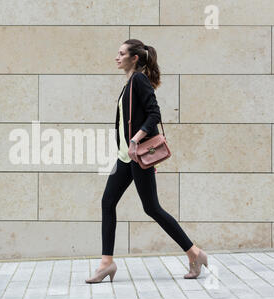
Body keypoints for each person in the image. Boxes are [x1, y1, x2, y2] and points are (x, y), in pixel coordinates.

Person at [85, 39, 208, 284]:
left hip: (138, 154)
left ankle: (194, 252)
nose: (116, 57)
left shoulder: (139, 80)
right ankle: (106, 263)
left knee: (151, 207)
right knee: (108, 202)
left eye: (121, 53)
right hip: (125, 157)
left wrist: (135, 139)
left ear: (135, 58)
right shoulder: (130, 82)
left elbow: (155, 114)